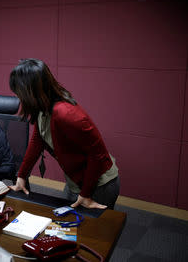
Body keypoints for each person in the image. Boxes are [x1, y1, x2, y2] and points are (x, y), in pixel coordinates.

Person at [9, 59, 120, 209]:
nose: (19, 98)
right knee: (69, 227)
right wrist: (22, 176)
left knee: (94, 231)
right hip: (76, 180)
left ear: (31, 92)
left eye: (19, 93)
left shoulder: (65, 114)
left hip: (99, 183)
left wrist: (86, 194)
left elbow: (97, 155)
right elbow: (37, 140)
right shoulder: (43, 107)